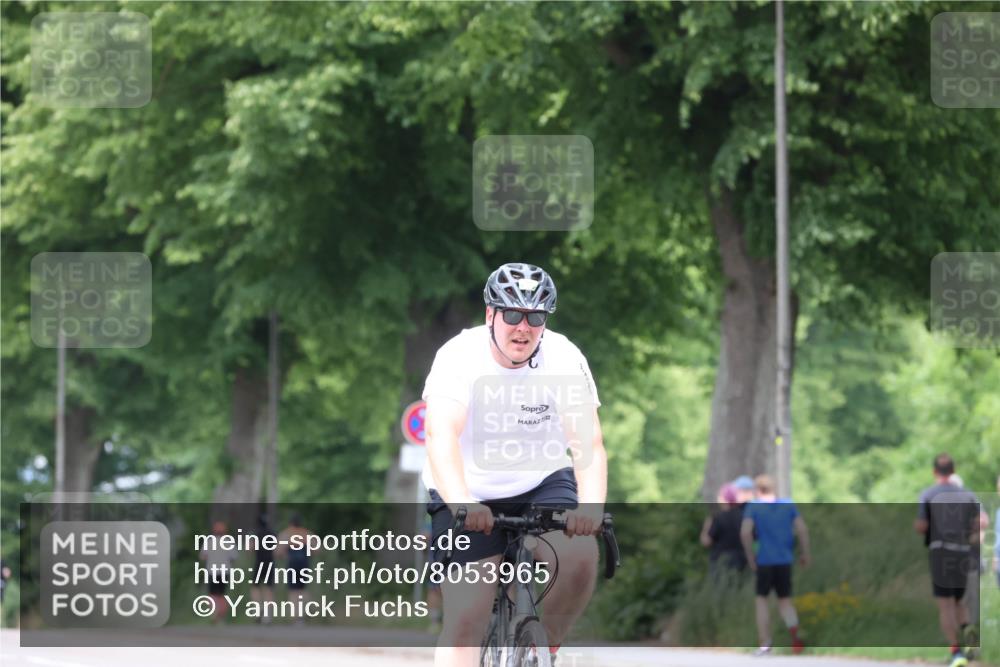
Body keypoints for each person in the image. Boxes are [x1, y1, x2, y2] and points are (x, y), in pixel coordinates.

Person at [423, 262, 605, 667]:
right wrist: (462, 503)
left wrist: (591, 508)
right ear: (491, 315)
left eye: (535, 317)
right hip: (466, 485)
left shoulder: (565, 358)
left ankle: (543, 648)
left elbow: (587, 442)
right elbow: (441, 436)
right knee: (467, 615)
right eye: (512, 315)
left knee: (579, 557)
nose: (523, 327)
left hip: (540, 478)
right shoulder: (458, 356)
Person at [914, 453, 982, 667]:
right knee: (960, 603)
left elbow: (921, 526)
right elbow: (980, 522)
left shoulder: (928, 494)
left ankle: (956, 653)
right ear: (953, 470)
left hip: (940, 552)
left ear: (935, 472)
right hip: (962, 552)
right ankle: (972, 643)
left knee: (945, 606)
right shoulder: (968, 495)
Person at [740, 474, 809, 656]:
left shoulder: (754, 507)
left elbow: (745, 532)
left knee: (762, 601)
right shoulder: (788, 504)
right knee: (785, 601)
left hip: (764, 560)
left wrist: (750, 557)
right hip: (784, 560)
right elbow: (802, 529)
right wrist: (804, 553)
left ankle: (765, 643)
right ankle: (795, 635)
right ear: (773, 489)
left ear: (757, 490)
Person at [700, 483, 748, 580]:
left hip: (720, 561)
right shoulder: (744, 517)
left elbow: (706, 542)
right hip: (740, 559)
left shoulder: (718, 518)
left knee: (721, 590)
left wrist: (706, 527)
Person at [198, 520, 237, 624]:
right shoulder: (228, 541)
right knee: (222, 594)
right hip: (225, 571)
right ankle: (220, 616)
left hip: (212, 571)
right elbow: (233, 557)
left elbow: (203, 556)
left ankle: (214, 613)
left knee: (212, 594)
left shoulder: (209, 541)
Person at [277, 513, 314, 618]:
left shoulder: (286, 534)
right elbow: (316, 549)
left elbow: (278, 551)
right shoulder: (306, 533)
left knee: (293, 591)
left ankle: (296, 617)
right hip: (304, 563)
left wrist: (284, 554)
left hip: (292, 563)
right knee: (302, 589)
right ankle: (306, 606)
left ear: (290, 523)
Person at [251, 513, 277, 624]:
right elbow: (278, 549)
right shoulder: (273, 533)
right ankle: (268, 615)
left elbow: (249, 548)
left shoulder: (256, 534)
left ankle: (258, 609)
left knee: (255, 587)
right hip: (270, 562)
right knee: (269, 588)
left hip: (259, 562)